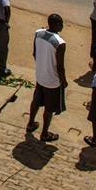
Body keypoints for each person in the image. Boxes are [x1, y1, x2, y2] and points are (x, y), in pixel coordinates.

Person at [28, 14, 67, 142]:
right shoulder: (60, 43)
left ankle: (31, 123)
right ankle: (44, 133)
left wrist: (42, 66)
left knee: (36, 101)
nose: (62, 26)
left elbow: (34, 53)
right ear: (56, 25)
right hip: (52, 80)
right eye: (61, 23)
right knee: (49, 109)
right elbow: (60, 66)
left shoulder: (38, 33)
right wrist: (64, 80)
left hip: (40, 75)